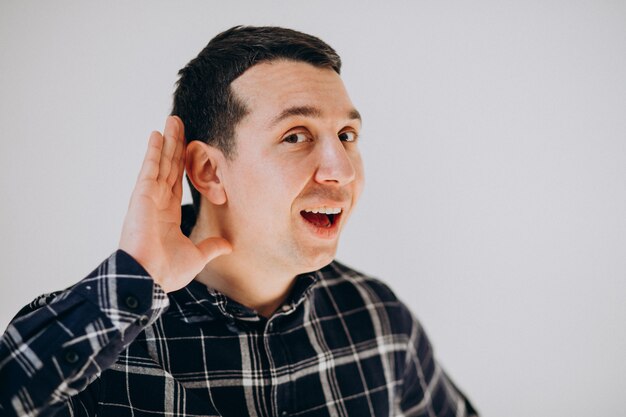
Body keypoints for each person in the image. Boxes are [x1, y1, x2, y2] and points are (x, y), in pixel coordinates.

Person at [0, 26, 478, 417]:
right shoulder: (100, 342)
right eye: (296, 135)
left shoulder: (379, 320)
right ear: (209, 171)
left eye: (347, 134)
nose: (342, 170)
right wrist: (138, 278)